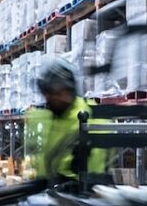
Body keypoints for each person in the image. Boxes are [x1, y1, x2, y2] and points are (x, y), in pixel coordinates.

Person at [24, 57, 108, 185]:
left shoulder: (89, 116)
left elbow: (94, 166)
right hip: (48, 189)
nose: (51, 98)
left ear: (70, 90)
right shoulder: (48, 116)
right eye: (48, 93)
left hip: (80, 194)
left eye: (56, 93)